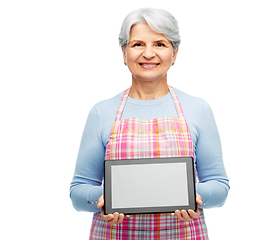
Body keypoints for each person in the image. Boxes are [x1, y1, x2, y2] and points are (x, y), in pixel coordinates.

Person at [70, 7, 230, 239]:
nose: (148, 54)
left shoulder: (198, 109)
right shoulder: (101, 112)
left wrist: (190, 195)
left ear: (174, 54)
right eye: (137, 44)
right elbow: (78, 191)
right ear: (124, 53)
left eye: (160, 44)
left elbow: (220, 187)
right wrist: (105, 199)